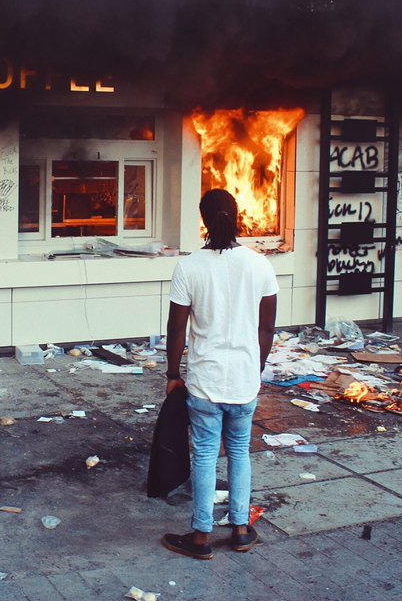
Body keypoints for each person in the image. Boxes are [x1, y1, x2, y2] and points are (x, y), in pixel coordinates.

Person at [161, 188, 278, 560]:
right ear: (237, 216)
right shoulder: (260, 265)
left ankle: (201, 536)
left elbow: (176, 329)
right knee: (240, 452)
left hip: (205, 380)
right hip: (244, 380)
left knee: (206, 455)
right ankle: (241, 530)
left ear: (204, 221)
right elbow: (266, 329)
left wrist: (172, 373)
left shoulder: (189, 266)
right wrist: (255, 367)